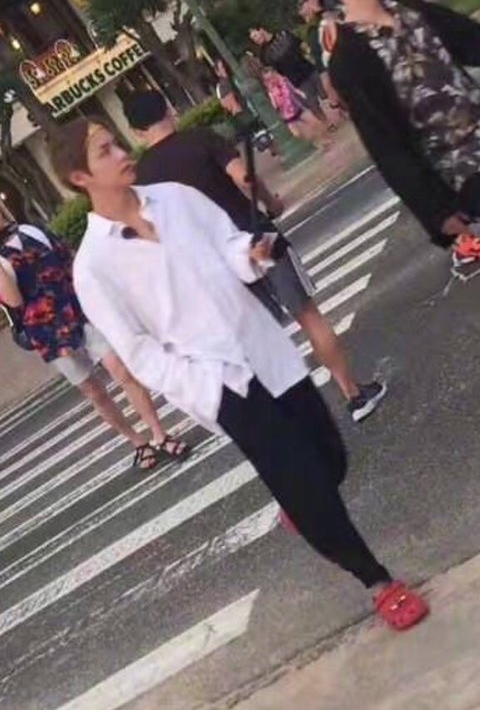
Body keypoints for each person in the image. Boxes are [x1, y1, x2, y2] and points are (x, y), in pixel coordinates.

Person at [49, 115, 428, 631]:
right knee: (306, 485)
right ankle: (378, 582)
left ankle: (301, 507)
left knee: (330, 457)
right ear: (79, 178)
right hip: (219, 382)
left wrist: (250, 256)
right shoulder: (94, 266)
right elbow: (136, 351)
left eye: (117, 143)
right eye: (105, 151)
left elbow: (226, 243)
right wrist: (199, 387)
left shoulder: (176, 199)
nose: (121, 153)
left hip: (261, 347)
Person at [123, 90, 386, 422]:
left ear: (136, 132)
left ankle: (296, 419)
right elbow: (243, 178)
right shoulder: (201, 139)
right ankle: (353, 394)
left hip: (216, 264)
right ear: (169, 110)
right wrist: (268, 202)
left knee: (260, 341)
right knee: (308, 316)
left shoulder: (142, 178)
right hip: (256, 235)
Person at [305, 0, 480, 259]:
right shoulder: (350, 58)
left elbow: (469, 38)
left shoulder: (408, 8)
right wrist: (436, 212)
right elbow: (384, 145)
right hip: (459, 167)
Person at [0, 208, 189, 469]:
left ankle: (159, 434)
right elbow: (14, 301)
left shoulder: (32, 230)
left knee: (121, 370)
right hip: (48, 332)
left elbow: (70, 259)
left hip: (80, 309)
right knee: (94, 391)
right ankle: (137, 442)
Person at [248, 26, 330, 129]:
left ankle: (341, 111)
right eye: (253, 39)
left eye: (255, 36)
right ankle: (327, 123)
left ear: (261, 30)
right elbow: (273, 72)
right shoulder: (264, 55)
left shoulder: (283, 35)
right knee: (312, 103)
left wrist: (311, 56)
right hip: (296, 80)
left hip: (308, 68)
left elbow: (301, 44)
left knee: (326, 92)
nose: (256, 40)